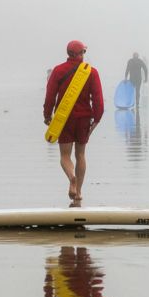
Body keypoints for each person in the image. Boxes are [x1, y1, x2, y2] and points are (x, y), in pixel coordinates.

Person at [44, 40, 104, 204]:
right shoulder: (91, 72)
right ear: (81, 53)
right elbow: (98, 99)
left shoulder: (58, 71)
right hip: (84, 118)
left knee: (65, 155)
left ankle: (72, 177)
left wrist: (47, 115)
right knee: (81, 154)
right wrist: (96, 119)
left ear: (68, 53)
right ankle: (78, 193)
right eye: (84, 51)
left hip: (64, 119)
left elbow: (50, 96)